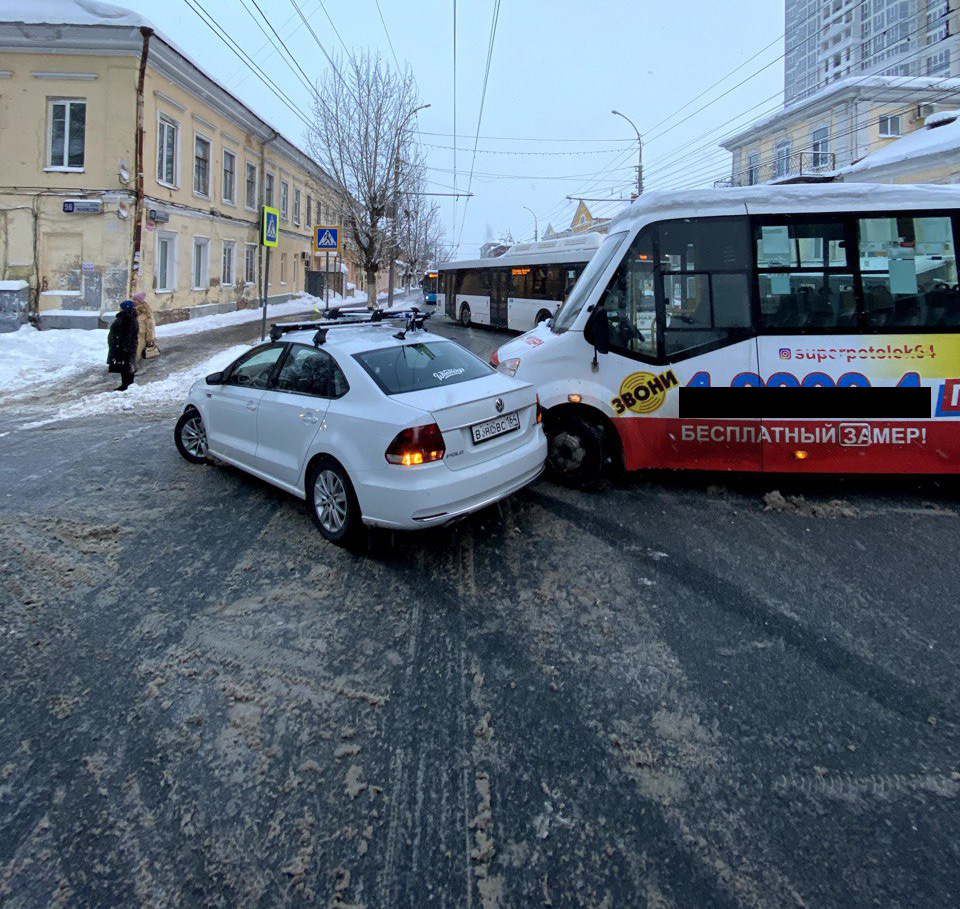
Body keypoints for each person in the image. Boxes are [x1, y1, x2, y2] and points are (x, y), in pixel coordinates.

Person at [107, 299, 140, 391]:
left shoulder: (128, 319)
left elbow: (128, 335)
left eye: (121, 308)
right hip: (121, 346)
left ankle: (127, 385)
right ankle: (125, 384)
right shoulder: (125, 317)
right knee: (123, 365)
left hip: (125, 347)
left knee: (127, 365)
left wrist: (125, 347)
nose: (120, 309)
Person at [131, 290, 158, 361]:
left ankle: (141, 368)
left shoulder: (146, 312)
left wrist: (150, 339)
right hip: (134, 335)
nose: (133, 301)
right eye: (133, 299)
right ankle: (135, 367)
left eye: (135, 299)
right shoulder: (134, 310)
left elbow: (151, 326)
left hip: (142, 336)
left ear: (140, 301)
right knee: (133, 353)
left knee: (139, 353)